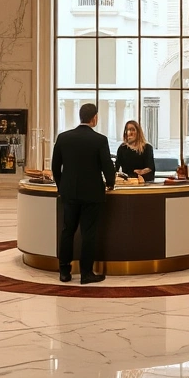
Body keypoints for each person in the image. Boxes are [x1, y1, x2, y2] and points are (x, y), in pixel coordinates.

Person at [51, 103, 116, 285]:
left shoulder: (63, 138)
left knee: (68, 231)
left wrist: (61, 186)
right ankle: (86, 273)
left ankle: (64, 272)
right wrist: (110, 183)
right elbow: (107, 167)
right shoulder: (100, 140)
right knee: (88, 233)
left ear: (80, 117)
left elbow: (55, 167)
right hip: (92, 194)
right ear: (94, 118)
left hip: (69, 193)